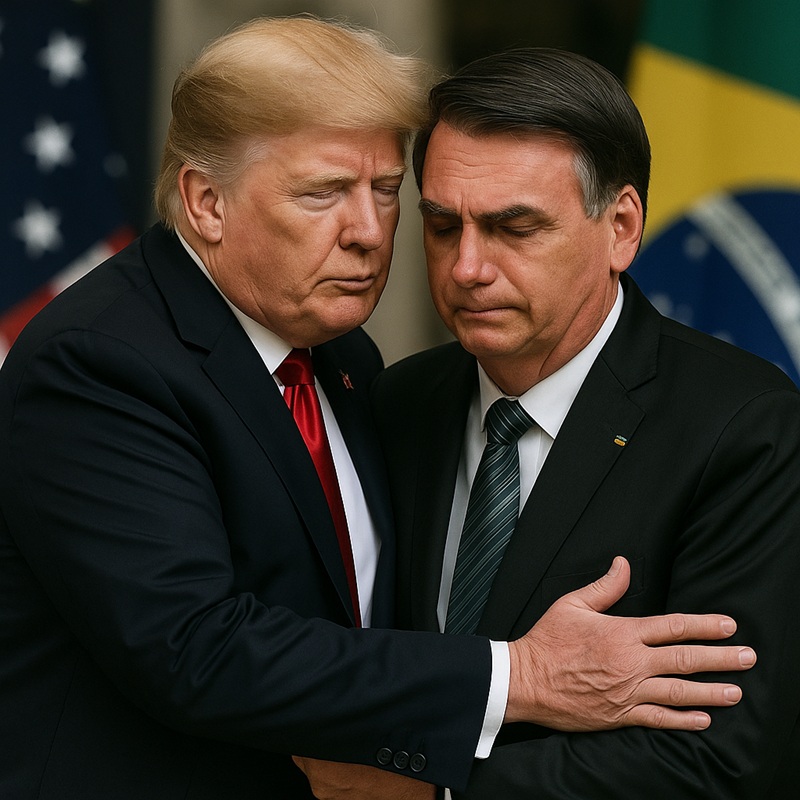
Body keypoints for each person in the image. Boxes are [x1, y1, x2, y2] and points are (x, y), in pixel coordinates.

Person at [0, 21, 756, 800]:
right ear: (206, 202)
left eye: (387, 191)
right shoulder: (98, 363)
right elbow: (197, 650)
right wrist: (521, 675)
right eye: (322, 193)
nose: (368, 232)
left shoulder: (347, 362)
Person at [369, 49, 800, 798]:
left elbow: (723, 761)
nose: (467, 267)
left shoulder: (745, 430)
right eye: (442, 226)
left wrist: (432, 789)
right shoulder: (396, 405)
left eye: (514, 228)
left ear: (622, 228)